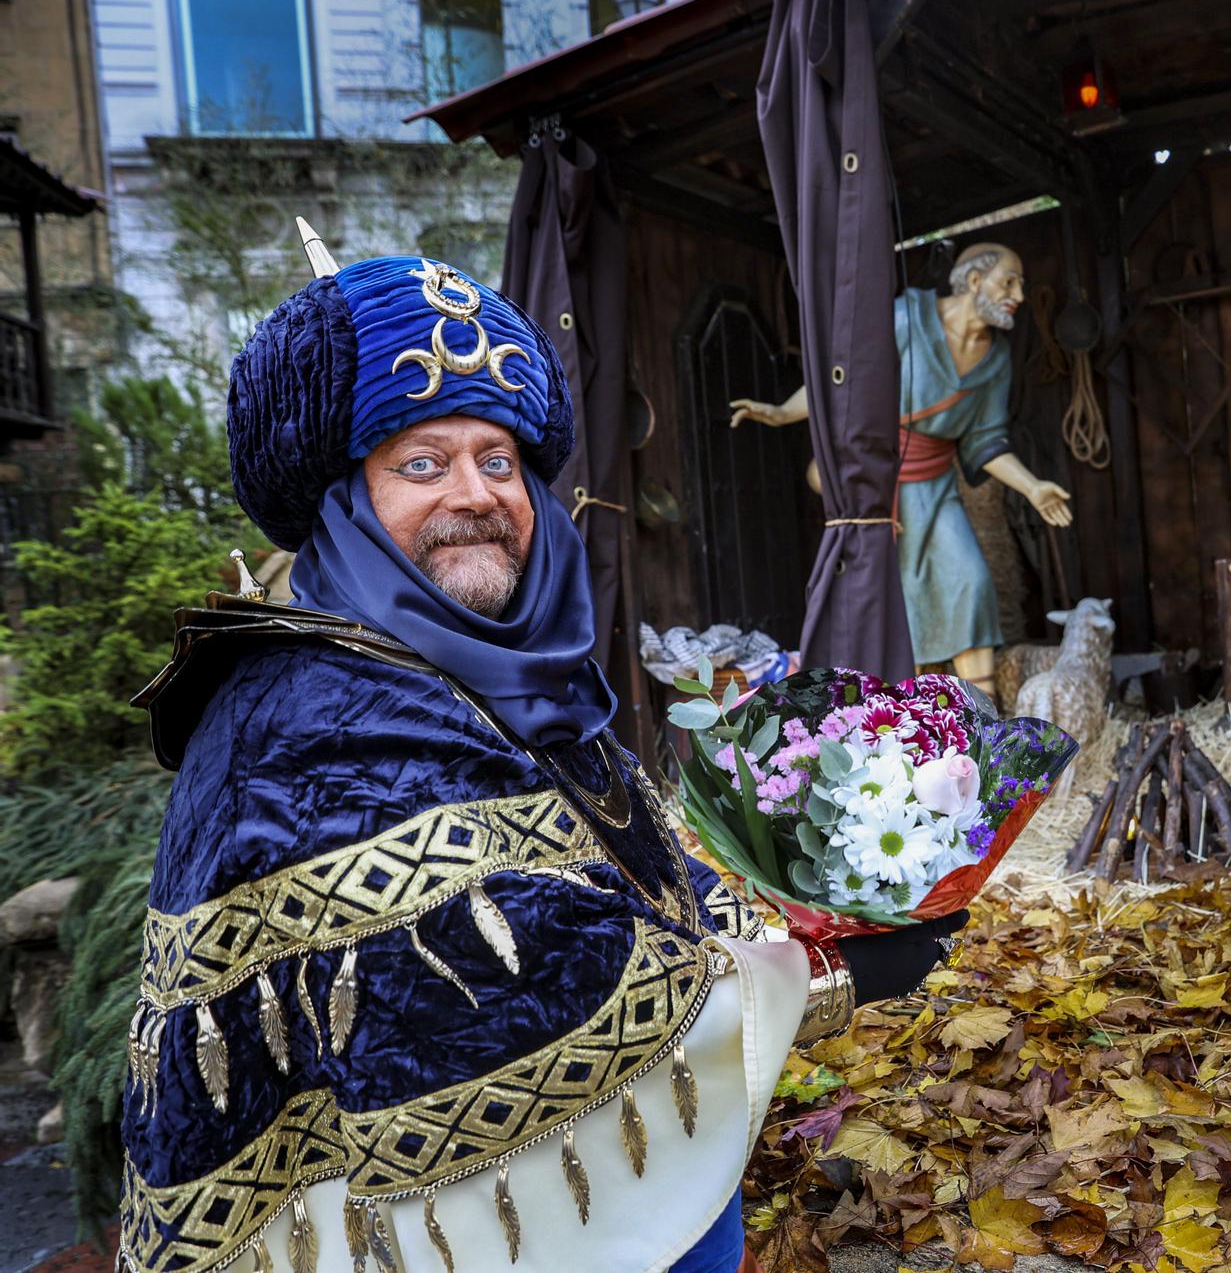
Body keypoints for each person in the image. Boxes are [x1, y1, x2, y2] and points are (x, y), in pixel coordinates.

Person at [117, 224, 963, 1273]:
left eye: (499, 460)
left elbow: (620, 877)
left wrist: (836, 892)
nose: (474, 494)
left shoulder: (503, 675)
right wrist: (827, 978)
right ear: (343, 503)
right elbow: (509, 994)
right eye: (420, 462)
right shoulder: (308, 712)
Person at [729, 244, 1072, 695]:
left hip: (936, 483)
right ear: (974, 281)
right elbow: (843, 379)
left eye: (1021, 285)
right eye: (1009, 281)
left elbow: (985, 440)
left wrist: (1032, 487)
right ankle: (905, 720)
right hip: (879, 487)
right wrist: (781, 413)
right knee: (896, 604)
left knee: (971, 581)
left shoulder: (996, 359)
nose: (1019, 295)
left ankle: (985, 726)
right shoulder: (907, 319)